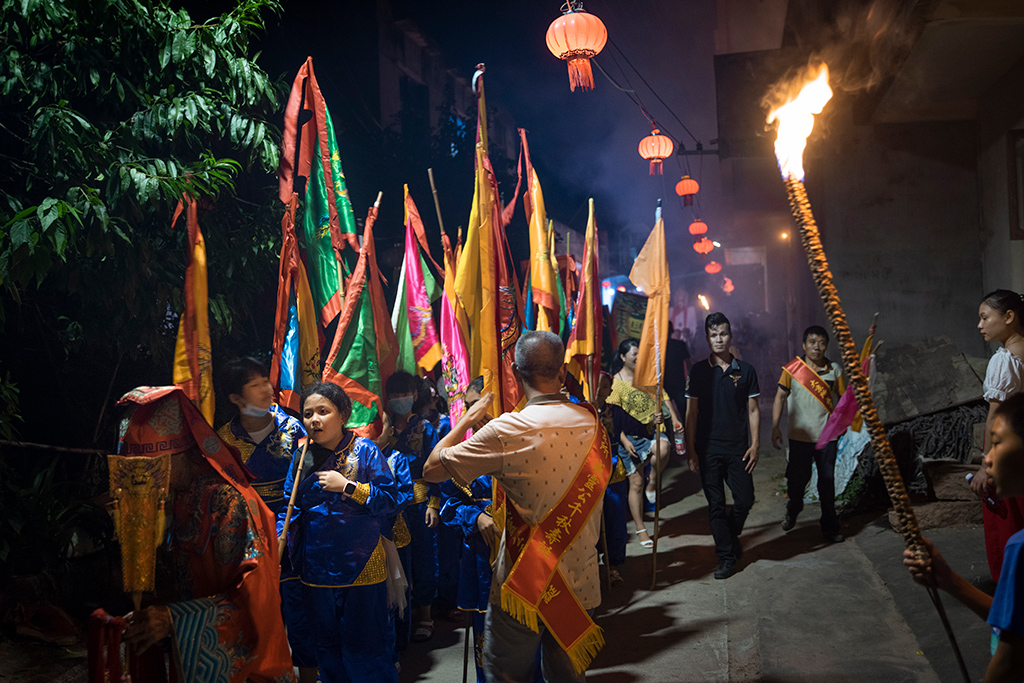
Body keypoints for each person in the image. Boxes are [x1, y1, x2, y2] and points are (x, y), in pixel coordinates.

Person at [423, 331, 612, 683]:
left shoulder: (506, 430)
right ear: (562, 370)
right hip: (580, 581)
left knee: (509, 677)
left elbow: (432, 470)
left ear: (514, 371)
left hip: (522, 582)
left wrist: (466, 420)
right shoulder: (592, 422)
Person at [102, 386, 296, 683]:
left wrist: (173, 619)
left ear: (179, 455)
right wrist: (154, 611)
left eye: (151, 468)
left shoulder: (227, 501)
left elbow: (255, 600)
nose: (145, 483)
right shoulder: (180, 497)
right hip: (191, 657)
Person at [279, 381, 399, 683]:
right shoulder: (302, 456)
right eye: (308, 414)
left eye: (323, 411)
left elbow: (390, 501)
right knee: (327, 649)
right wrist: (281, 539)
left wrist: (348, 487)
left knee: (367, 650)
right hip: (316, 570)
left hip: (362, 567)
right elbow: (289, 508)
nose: (314, 420)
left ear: (343, 414)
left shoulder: (366, 450)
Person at [904, 394, 1024, 681]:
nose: (987, 458)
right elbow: (1013, 623)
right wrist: (949, 580)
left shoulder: (1020, 547)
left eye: (996, 443)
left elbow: (1009, 660)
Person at [685, 312, 761, 580]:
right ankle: (726, 557)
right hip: (708, 449)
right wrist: (691, 450)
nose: (719, 339)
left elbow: (753, 410)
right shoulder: (698, 371)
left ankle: (728, 535)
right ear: (707, 339)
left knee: (745, 499)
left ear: (730, 336)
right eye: (714, 335)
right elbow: (691, 414)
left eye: (723, 334)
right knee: (716, 505)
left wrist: (755, 444)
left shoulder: (746, 371)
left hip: (738, 448)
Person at [771, 325, 846, 543]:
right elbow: (779, 397)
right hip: (799, 438)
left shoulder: (835, 370)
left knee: (827, 484)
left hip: (827, 438)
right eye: (812, 342)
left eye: (822, 343)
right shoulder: (792, 369)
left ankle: (830, 528)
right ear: (804, 345)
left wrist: (843, 425)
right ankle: (793, 508)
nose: (817, 347)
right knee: (796, 482)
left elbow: (844, 399)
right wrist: (775, 427)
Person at [970, 290, 1024, 581]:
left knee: (1008, 524)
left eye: (985, 317)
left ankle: (1011, 591)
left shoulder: (1005, 360)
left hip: (1009, 451)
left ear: (1009, 317)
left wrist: (985, 464)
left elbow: (995, 417)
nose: (980, 325)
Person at [383, 371, 441, 641]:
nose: (399, 399)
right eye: (394, 395)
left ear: (414, 395)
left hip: (419, 504)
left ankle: (426, 614)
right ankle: (399, 616)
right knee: (397, 561)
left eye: (404, 394)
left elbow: (436, 467)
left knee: (424, 558)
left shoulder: (425, 428)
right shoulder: (382, 428)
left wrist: (434, 504)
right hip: (392, 506)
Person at [608, 338, 682, 546]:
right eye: (634, 354)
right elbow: (613, 418)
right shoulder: (616, 384)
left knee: (664, 448)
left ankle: (654, 480)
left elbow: (662, 394)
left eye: (641, 354)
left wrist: (672, 418)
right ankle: (641, 530)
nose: (639, 357)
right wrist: (624, 441)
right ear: (623, 357)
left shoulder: (648, 376)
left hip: (651, 431)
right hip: (629, 437)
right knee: (636, 483)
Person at [216, 357, 306, 515]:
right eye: (255, 385)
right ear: (235, 398)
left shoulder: (293, 429)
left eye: (265, 382)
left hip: (289, 521)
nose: (266, 390)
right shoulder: (224, 440)